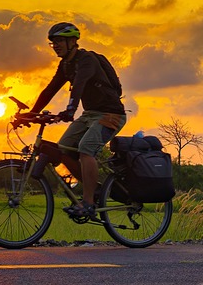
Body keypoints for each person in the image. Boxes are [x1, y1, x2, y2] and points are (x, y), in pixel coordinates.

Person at [15, 21, 127, 220]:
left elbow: (80, 84)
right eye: (52, 42)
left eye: (59, 41)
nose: (55, 45)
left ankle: (89, 203)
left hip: (111, 114)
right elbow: (50, 90)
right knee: (63, 149)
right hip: (90, 114)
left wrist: (70, 109)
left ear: (72, 41)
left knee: (85, 148)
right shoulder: (66, 65)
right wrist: (31, 114)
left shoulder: (87, 60)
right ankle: (94, 190)